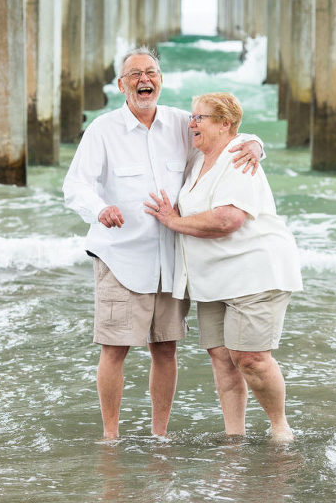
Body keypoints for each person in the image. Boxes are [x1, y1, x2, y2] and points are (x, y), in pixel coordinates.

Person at [62, 48, 265, 440]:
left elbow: (225, 133)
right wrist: (100, 209)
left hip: (172, 259)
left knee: (166, 349)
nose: (144, 80)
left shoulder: (180, 123)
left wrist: (257, 144)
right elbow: (76, 185)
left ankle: (160, 435)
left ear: (160, 79)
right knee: (114, 350)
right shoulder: (103, 130)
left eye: (151, 72)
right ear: (121, 85)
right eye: (135, 74)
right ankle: (110, 437)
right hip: (120, 257)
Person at [144, 92, 303, 443]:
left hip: (254, 272)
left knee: (251, 358)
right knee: (221, 357)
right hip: (213, 279)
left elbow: (228, 219)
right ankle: (235, 438)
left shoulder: (238, 157)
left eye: (199, 117)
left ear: (224, 124)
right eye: (192, 116)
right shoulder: (198, 160)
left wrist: (173, 221)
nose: (191, 123)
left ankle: (280, 428)